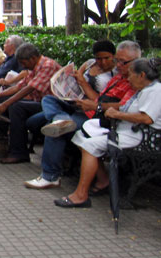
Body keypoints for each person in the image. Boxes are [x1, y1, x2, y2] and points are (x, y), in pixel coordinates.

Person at [25, 40, 139, 189]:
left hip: (98, 118)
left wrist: (95, 104)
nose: (117, 65)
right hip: (86, 107)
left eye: (122, 62)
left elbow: (124, 107)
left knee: (53, 129)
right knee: (49, 101)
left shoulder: (135, 80)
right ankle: (61, 119)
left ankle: (50, 176)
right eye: (117, 61)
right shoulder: (119, 76)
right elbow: (101, 98)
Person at [55, 57, 161, 208]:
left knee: (89, 145)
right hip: (126, 131)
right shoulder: (142, 90)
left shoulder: (155, 91)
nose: (128, 78)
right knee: (80, 136)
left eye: (131, 74)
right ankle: (103, 179)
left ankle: (81, 195)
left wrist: (118, 115)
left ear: (142, 75)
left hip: (139, 138)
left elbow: (146, 118)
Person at [0, 43, 62, 164]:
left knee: (16, 106)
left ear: (33, 59)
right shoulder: (34, 67)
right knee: (3, 101)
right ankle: (1, 135)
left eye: (24, 63)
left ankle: (19, 152)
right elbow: (18, 87)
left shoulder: (47, 65)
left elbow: (29, 88)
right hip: (40, 102)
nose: (23, 66)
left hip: (51, 105)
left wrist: (6, 104)